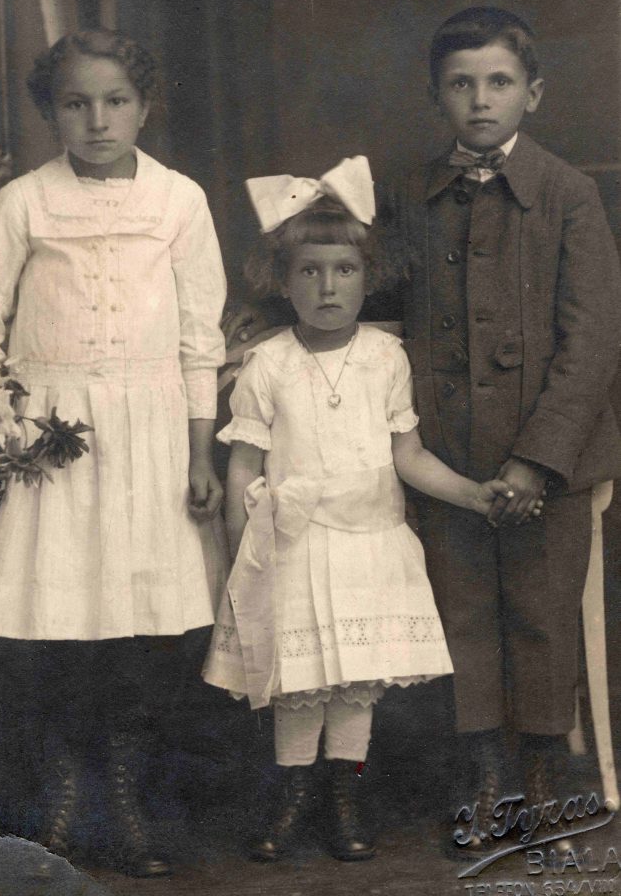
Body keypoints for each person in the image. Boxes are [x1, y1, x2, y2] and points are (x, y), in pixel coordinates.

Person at [0, 29, 227, 877]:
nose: (98, 120)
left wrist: (199, 453)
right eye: (76, 103)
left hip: (149, 438)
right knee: (55, 626)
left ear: (144, 106)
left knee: (139, 633)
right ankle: (68, 802)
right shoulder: (25, 200)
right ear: (50, 111)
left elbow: (200, 339)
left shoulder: (179, 200)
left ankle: (125, 804)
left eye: (115, 101)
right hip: (44, 438)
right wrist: (1, 430)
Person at [203, 156, 514, 863]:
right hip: (293, 545)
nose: (327, 286)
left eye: (343, 270)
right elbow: (244, 465)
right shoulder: (268, 364)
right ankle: (292, 795)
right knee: (298, 683)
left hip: (369, 541)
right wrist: (238, 559)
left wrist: (473, 493)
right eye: (309, 271)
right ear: (282, 281)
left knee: (353, 683)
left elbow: (409, 455)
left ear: (367, 277)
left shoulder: (385, 357)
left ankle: (344, 797)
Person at [388, 7, 621, 855]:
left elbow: (591, 342)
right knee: (461, 614)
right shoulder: (411, 195)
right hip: (447, 461)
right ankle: (483, 778)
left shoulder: (567, 194)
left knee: (540, 616)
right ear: (435, 95)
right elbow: (380, 304)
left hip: (545, 462)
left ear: (533, 93)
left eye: (497, 82)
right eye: (460, 84)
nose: (479, 100)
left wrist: (535, 462)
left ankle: (542, 781)